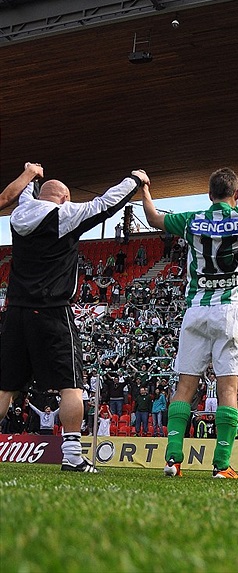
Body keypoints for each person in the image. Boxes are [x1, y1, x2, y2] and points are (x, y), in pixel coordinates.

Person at [142, 135, 238, 479]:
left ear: (209, 195)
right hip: (230, 309)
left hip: (195, 310)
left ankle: (173, 460)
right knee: (228, 388)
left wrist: (146, 188)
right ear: (235, 194)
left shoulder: (192, 219)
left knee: (185, 386)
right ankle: (222, 464)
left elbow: (152, 218)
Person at [0, 168, 148, 472]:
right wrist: (134, 179)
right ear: (65, 198)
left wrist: (31, 176)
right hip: (52, 310)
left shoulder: (20, 215)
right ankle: (71, 456)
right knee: (71, 385)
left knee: (5, 387)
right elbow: (107, 203)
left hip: (15, 311)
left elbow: (25, 194)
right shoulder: (65, 215)